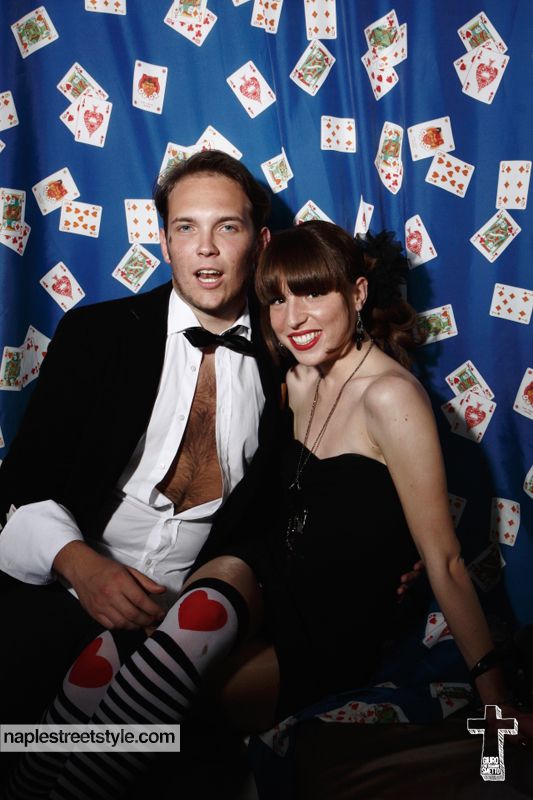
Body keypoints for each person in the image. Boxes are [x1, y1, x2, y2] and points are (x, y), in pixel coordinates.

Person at [7, 221, 530, 800]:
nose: (293, 318)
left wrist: (495, 701)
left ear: (357, 293)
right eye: (277, 300)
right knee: (103, 661)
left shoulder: (393, 397)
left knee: (145, 696)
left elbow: (446, 561)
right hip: (259, 582)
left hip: (326, 625)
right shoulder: (295, 380)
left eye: (313, 293)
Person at [0, 150, 285, 725]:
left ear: (260, 243)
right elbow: (22, 484)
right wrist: (81, 566)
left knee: (159, 748)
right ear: (165, 242)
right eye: (187, 228)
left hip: (190, 620)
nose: (206, 248)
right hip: (66, 583)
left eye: (227, 227)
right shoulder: (96, 334)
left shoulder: (290, 355)